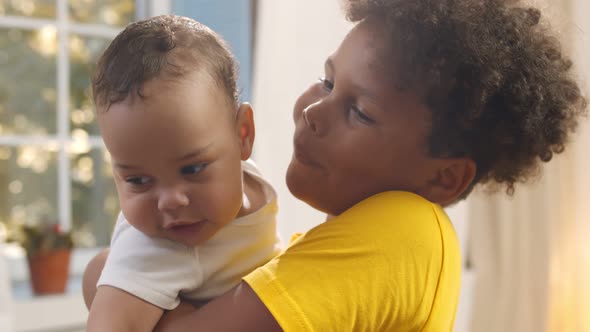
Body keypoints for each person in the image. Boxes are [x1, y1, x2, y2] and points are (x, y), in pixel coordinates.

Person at [84, 0, 588, 331]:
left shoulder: (404, 231)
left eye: (360, 111)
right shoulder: (315, 252)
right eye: (327, 83)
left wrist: (109, 279)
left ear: (443, 176)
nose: (313, 111)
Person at [82, 15, 281, 331]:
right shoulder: (156, 248)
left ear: (242, 135)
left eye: (192, 169)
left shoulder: (246, 180)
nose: (170, 201)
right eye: (137, 180)